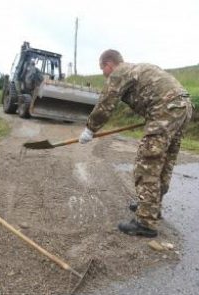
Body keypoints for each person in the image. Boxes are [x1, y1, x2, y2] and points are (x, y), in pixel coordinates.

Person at [79, 50, 193, 237]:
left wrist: (90, 129)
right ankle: (151, 207)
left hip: (166, 109)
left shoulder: (120, 72)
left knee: (148, 163)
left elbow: (107, 103)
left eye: (102, 69)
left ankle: (146, 222)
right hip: (183, 107)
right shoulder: (137, 68)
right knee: (164, 162)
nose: (103, 74)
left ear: (108, 64)